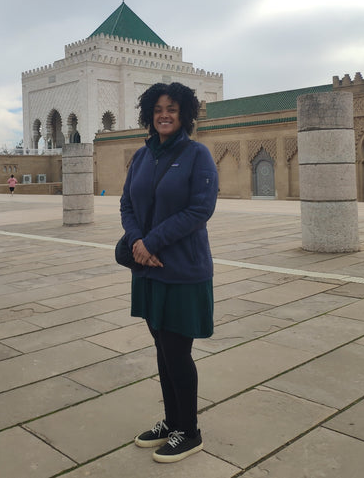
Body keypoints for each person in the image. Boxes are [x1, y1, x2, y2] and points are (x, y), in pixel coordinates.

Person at [120, 82, 218, 464]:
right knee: (162, 351)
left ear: (185, 115)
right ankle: (172, 420)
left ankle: (189, 431)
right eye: (158, 108)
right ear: (149, 113)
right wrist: (136, 241)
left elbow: (199, 210)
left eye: (172, 109)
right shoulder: (143, 157)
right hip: (146, 269)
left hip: (181, 270)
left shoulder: (198, 155)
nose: (164, 114)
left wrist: (152, 243)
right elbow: (127, 203)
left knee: (177, 353)